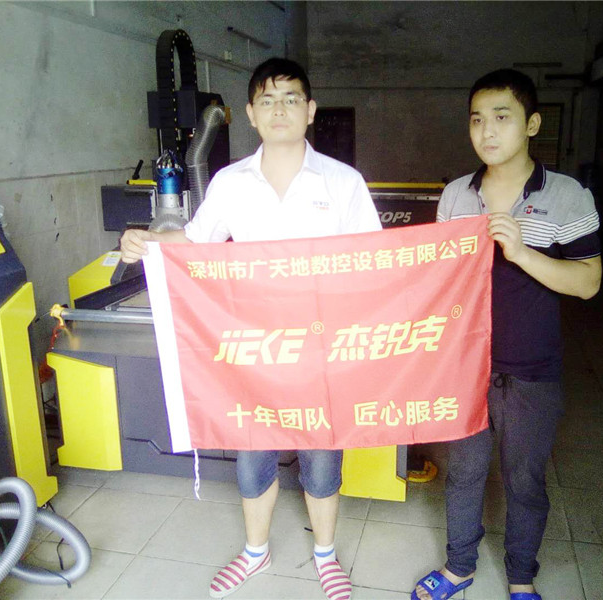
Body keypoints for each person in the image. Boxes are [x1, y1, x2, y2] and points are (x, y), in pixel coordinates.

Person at [121, 57, 380, 600]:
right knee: (252, 456)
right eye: (267, 100)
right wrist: (145, 240)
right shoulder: (230, 182)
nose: (279, 109)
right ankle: (256, 552)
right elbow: (195, 242)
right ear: (251, 114)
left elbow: (372, 261)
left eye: (291, 99)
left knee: (321, 458)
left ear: (310, 110)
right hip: (253, 349)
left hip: (320, 348)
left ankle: (325, 555)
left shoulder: (343, 182)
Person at [411, 69, 601, 600]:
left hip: (533, 370)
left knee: (525, 480)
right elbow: (441, 277)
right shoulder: (456, 195)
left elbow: (588, 282)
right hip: (467, 367)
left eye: (502, 117)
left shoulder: (566, 196)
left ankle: (521, 578)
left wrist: (520, 252)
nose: (487, 131)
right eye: (477, 120)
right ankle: (458, 568)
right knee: (465, 473)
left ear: (532, 124)